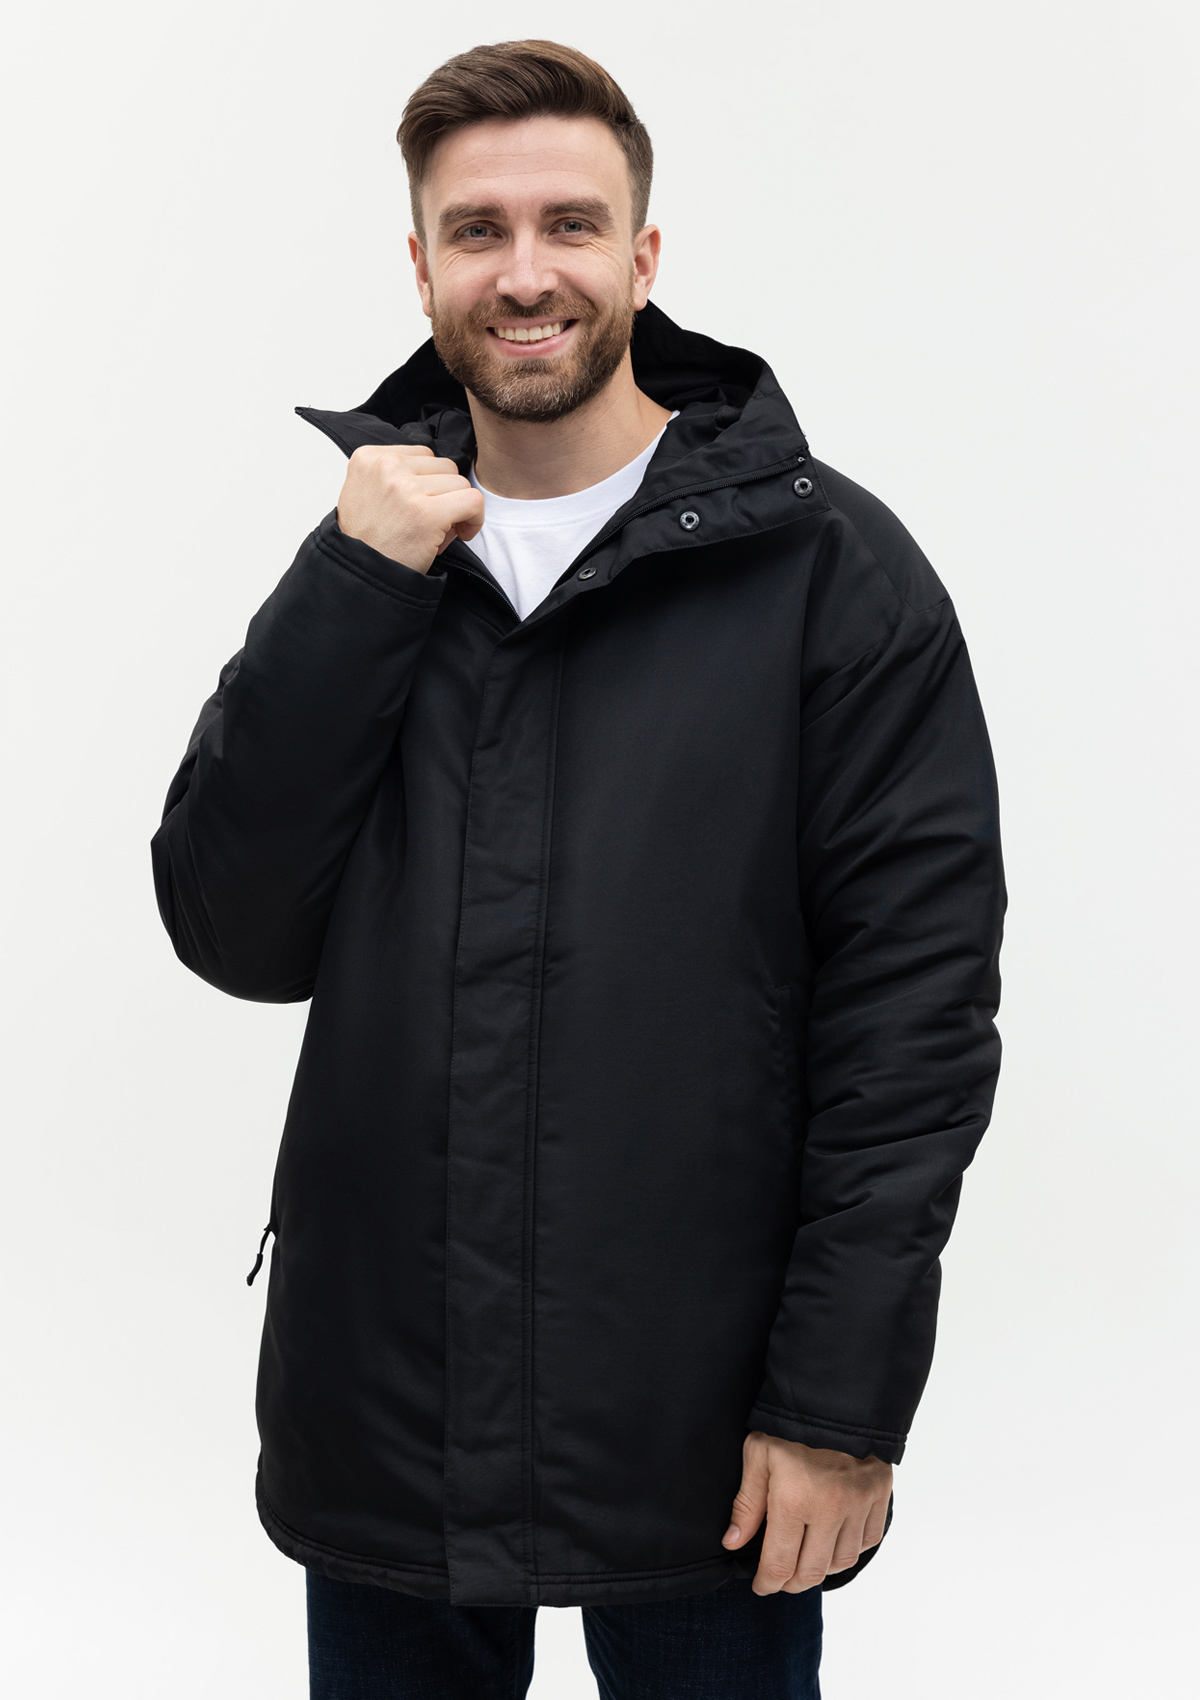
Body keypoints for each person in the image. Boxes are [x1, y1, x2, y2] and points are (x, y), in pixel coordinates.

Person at [152, 38, 1004, 1700]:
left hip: (711, 1424)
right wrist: (353, 585)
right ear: (421, 267)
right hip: (389, 1403)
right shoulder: (367, 561)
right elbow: (233, 930)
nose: (525, 272)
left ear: (644, 255)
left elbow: (913, 1028)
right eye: (477, 230)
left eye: (570, 224)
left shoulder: (829, 572)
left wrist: (839, 1408)